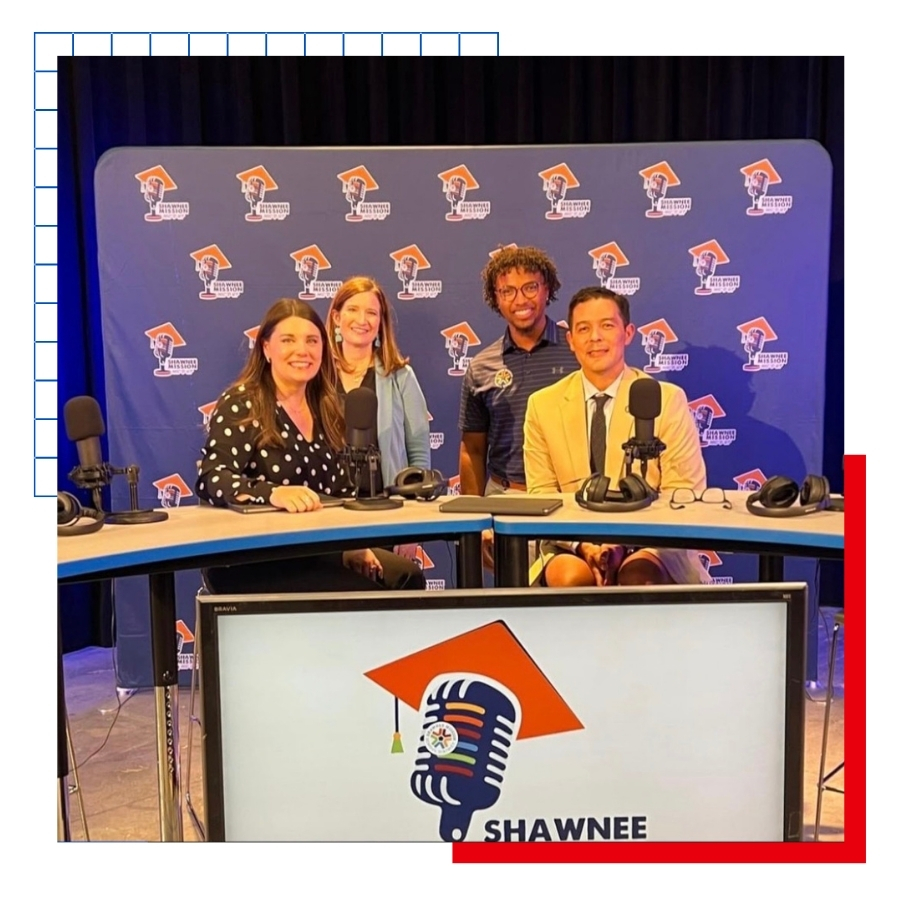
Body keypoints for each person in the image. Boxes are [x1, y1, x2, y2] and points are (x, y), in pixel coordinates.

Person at [195, 298, 425, 593]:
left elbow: (342, 490)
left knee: (406, 576)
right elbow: (213, 478)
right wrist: (274, 493)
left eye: (312, 341)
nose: (302, 351)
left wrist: (351, 546)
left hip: (316, 550)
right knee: (361, 592)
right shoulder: (244, 401)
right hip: (255, 558)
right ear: (266, 348)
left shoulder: (327, 406)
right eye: (288, 340)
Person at [523, 286, 710, 587]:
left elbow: (684, 493)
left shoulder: (666, 398)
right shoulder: (542, 405)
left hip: (652, 541)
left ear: (628, 333)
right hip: (568, 542)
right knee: (571, 578)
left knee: (637, 575)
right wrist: (585, 546)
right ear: (570, 340)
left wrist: (622, 543)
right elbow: (542, 497)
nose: (595, 337)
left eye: (607, 326)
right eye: (583, 329)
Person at [457, 246, 576, 568]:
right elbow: (472, 450)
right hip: (506, 501)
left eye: (529, 287)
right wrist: (477, 519)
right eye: (507, 291)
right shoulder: (481, 366)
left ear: (547, 289)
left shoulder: (578, 350)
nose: (520, 300)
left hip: (570, 501)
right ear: (495, 298)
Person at [326, 276, 432, 561]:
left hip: (387, 517)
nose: (362, 319)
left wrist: (413, 529)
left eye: (371, 312)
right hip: (326, 520)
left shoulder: (400, 376)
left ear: (380, 323)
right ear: (336, 317)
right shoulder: (316, 376)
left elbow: (419, 454)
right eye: (352, 309)